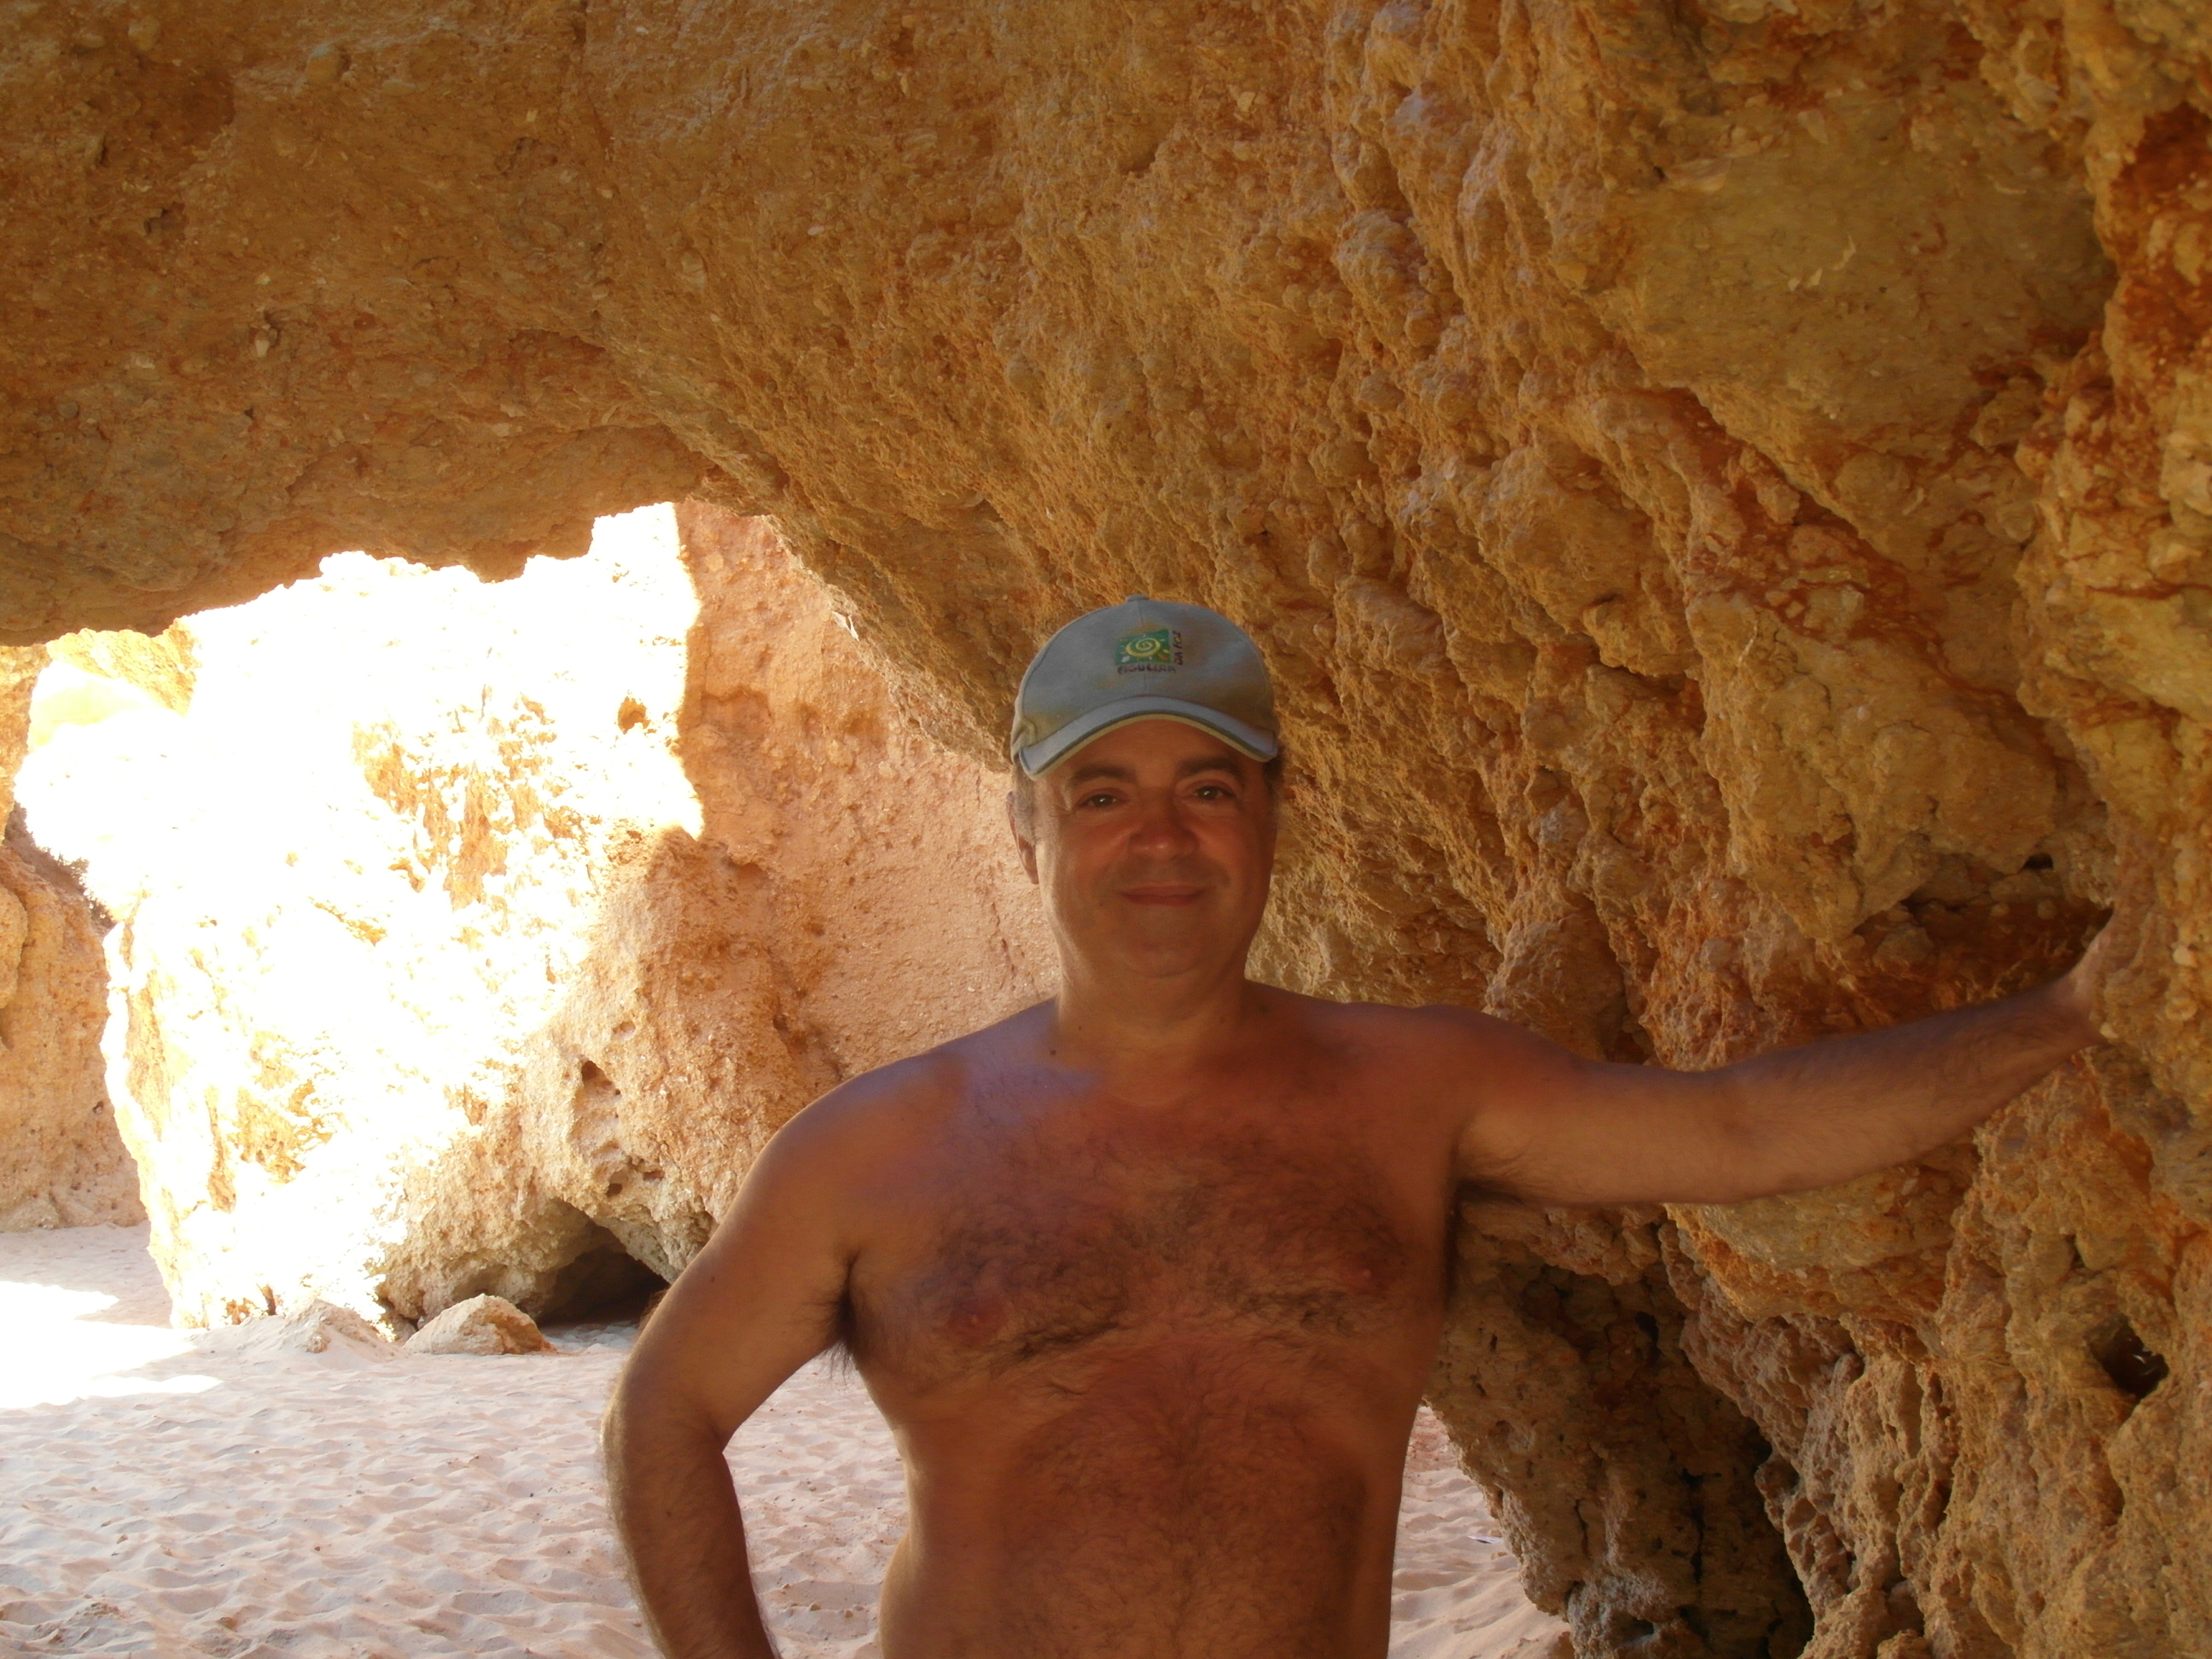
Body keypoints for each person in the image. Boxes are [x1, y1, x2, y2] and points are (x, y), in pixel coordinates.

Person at [603, 597, 2109, 1659]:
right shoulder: (876, 1150)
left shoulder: (1414, 1091)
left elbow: (1737, 1134)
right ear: (1027, 829)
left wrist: (2069, 1013)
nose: (1161, 836)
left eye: (1208, 785)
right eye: (1103, 793)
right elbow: (665, 1411)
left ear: (1274, 813)